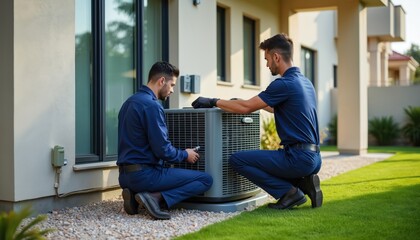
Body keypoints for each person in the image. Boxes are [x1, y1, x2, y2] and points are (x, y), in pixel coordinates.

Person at [192, 33, 323, 210]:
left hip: (297, 158)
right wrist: (239, 103)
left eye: (267, 59)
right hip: (314, 158)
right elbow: (276, 108)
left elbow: (246, 108)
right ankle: (303, 183)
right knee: (267, 160)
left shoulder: (283, 83)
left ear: (276, 57)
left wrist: (212, 101)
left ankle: (289, 192)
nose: (267, 65)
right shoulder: (305, 82)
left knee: (238, 160)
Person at [118, 61, 213, 220]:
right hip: (145, 175)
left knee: (160, 170)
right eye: (172, 85)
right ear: (161, 81)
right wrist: (185, 154)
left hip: (124, 177)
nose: (172, 90)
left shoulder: (128, 103)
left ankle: (136, 196)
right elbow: (163, 150)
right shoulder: (152, 106)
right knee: (205, 180)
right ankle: (155, 198)